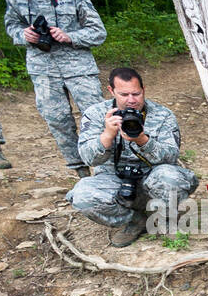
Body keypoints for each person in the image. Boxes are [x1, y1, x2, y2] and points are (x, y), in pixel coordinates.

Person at [3, 0, 105, 177]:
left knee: (96, 116)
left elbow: (98, 32)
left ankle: (106, 170)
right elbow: (11, 25)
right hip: (43, 67)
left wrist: (70, 36)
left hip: (78, 65)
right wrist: (23, 34)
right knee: (57, 120)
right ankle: (81, 173)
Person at [67, 67, 197, 247]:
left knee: (171, 178)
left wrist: (143, 141)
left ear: (143, 90)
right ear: (111, 91)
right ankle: (136, 220)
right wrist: (106, 136)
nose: (131, 100)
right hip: (115, 180)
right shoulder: (96, 115)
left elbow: (171, 156)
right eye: (124, 94)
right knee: (83, 196)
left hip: (152, 180)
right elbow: (89, 159)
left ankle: (167, 220)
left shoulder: (163, 115)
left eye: (136, 94)